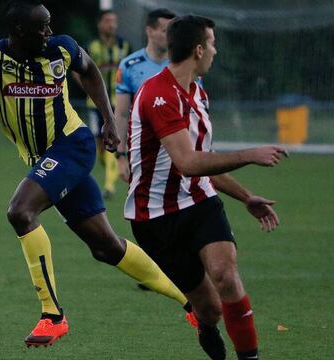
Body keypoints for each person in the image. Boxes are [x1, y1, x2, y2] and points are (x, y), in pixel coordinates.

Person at [0, 0, 191, 348]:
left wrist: (107, 118)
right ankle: (190, 300)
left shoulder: (61, 48)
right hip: (45, 158)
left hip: (72, 146)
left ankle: (52, 316)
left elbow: (89, 71)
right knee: (105, 247)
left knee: (20, 211)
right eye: (41, 27)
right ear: (18, 32)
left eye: (49, 24)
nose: (48, 32)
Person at [124, 15, 288, 360]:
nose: (215, 51)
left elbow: (203, 163)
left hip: (200, 203)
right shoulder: (158, 95)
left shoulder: (198, 93)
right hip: (154, 218)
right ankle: (207, 325)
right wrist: (251, 155)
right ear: (198, 50)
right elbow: (188, 163)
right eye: (212, 44)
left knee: (225, 275)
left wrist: (245, 197)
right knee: (210, 309)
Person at [114, 8, 175, 183]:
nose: (170, 36)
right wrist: (121, 155)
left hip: (178, 150)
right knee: (143, 205)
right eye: (165, 31)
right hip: (142, 153)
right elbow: (122, 113)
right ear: (150, 31)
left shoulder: (182, 64)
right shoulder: (129, 65)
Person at [80, 10, 130, 200]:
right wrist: (87, 87)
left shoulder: (124, 46)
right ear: (100, 24)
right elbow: (77, 71)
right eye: (108, 21)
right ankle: (112, 172)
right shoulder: (91, 46)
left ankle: (109, 186)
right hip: (94, 104)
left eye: (114, 21)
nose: (112, 25)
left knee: (112, 142)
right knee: (99, 147)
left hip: (117, 103)